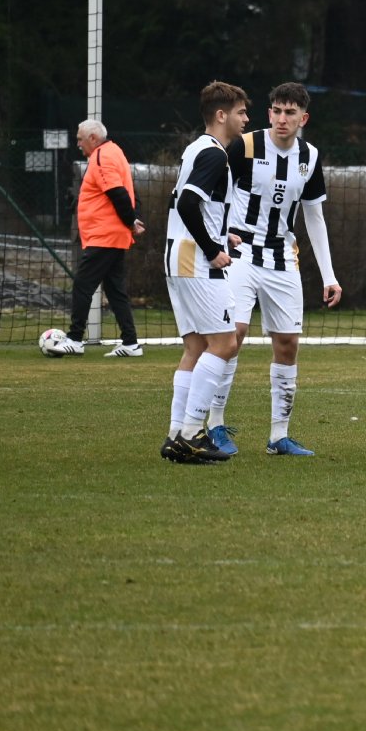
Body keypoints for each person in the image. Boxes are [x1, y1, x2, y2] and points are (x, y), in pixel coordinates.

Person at [202, 83, 342, 459]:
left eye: (290, 112)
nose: (282, 118)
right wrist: (217, 237)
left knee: (288, 343)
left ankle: (279, 435)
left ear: (303, 118)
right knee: (233, 335)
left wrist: (329, 275)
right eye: (277, 111)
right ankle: (214, 424)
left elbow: (314, 217)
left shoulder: (310, 157)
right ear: (269, 114)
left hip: (283, 257)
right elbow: (215, 193)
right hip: (240, 253)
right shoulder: (244, 146)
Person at [159, 81, 250, 464]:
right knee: (225, 344)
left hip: (177, 257)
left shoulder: (196, 148)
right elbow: (187, 204)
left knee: (196, 348)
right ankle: (193, 431)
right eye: (241, 112)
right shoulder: (215, 155)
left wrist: (220, 234)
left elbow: (184, 202)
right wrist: (212, 249)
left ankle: (176, 434)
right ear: (221, 115)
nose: (246, 119)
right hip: (195, 261)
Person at [59, 119, 145, 357]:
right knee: (115, 290)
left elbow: (119, 193)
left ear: (93, 138)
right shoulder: (115, 152)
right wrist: (134, 218)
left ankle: (75, 339)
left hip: (104, 236)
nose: (78, 144)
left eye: (80, 139)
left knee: (83, 284)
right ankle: (130, 343)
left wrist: (131, 221)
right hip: (112, 235)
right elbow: (131, 191)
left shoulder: (101, 157)